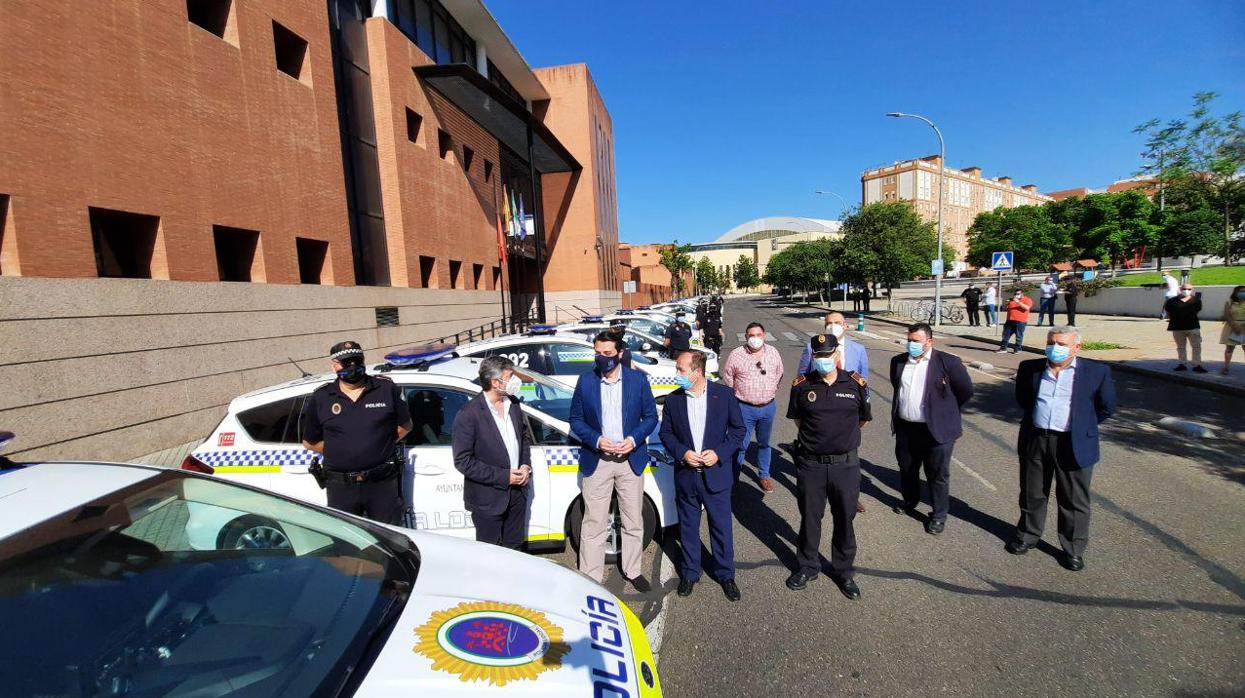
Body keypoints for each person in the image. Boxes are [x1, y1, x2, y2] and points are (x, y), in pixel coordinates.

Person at [1007, 326, 1116, 571]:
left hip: (1072, 442)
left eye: (1062, 344)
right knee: (1032, 492)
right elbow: (1024, 400)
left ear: (1076, 347)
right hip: (1036, 438)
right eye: (1051, 342)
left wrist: (1081, 426)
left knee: (1074, 499)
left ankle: (1073, 548)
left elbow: (1106, 407)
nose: (1054, 348)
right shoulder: (1030, 368)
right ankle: (1027, 535)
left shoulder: (1096, 372)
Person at [568, 331, 660, 590]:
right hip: (598, 460)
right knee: (594, 521)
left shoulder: (638, 381)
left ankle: (633, 570)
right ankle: (590, 576)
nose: (602, 358)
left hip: (630, 459)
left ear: (620, 354)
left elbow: (651, 418)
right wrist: (596, 439)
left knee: (632, 519)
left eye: (607, 354)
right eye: (597, 353)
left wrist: (634, 439)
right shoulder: (585, 381)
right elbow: (575, 420)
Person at [784, 334, 871, 599]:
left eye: (827, 355)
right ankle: (807, 566)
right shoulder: (801, 386)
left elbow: (862, 420)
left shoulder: (855, 384)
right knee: (810, 519)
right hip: (811, 465)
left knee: (845, 518)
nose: (822, 360)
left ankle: (843, 571)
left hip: (845, 465)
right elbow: (799, 421)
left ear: (837, 356)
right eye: (817, 356)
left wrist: (839, 440)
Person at [660, 350, 746, 600]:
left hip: (716, 475)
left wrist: (719, 453)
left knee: (721, 527)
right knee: (688, 527)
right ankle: (689, 573)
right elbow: (666, 435)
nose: (676, 374)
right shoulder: (674, 400)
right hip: (687, 475)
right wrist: (682, 452)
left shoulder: (724, 395)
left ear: (697, 372)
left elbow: (738, 431)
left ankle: (726, 574)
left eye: (680, 370)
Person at [301, 341, 412, 524]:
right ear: (334, 365)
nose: (352, 366)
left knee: (391, 539)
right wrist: (341, 450)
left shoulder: (385, 389)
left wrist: (378, 445)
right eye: (346, 362)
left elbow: (406, 425)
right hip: (341, 487)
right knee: (347, 543)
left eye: (356, 360)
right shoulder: (321, 397)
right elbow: (309, 442)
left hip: (382, 483)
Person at [889, 323, 973, 535]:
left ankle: (938, 515)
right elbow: (897, 388)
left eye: (916, 341)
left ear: (929, 342)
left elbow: (965, 391)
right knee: (907, 468)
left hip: (937, 430)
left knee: (937, 474)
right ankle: (910, 501)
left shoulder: (948, 362)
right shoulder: (898, 362)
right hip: (907, 428)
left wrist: (944, 413)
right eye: (909, 340)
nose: (911, 344)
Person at [451, 357, 532, 549]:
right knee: (491, 555)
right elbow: (463, 461)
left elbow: (524, 439)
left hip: (517, 494)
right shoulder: (469, 414)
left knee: (515, 549)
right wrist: (504, 477)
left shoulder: (513, 404)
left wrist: (526, 466)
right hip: (488, 500)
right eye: (510, 376)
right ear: (495, 382)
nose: (515, 380)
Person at [720, 322, 784, 492]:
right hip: (744, 408)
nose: (755, 339)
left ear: (764, 335)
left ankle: (764, 475)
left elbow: (779, 374)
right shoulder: (736, 355)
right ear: (746, 336)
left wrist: (768, 392)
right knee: (740, 445)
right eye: (751, 335)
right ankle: (733, 479)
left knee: (764, 443)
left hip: (768, 408)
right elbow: (728, 378)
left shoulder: (773, 353)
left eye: (758, 335)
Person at [798, 312, 870, 377]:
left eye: (837, 323)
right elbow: (802, 375)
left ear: (845, 326)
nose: (833, 326)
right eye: (829, 323)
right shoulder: (811, 347)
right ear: (825, 327)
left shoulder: (858, 349)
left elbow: (863, 377)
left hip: (849, 390)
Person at [1164, 283, 1206, 373]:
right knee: (1181, 347)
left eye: (1189, 289)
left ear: (1192, 290)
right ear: (1180, 289)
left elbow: (1197, 311)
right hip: (1177, 327)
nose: (1186, 291)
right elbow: (1168, 312)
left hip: (1193, 327)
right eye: (1184, 289)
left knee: (1196, 347)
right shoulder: (1172, 301)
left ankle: (1197, 365)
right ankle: (1182, 364)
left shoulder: (1196, 300)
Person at [997, 289, 1034, 354]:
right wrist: (1006, 304)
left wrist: (1018, 302)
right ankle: (1003, 348)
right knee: (1005, 335)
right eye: (1015, 294)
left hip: (1020, 321)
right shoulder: (1012, 300)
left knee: (1019, 336)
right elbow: (1007, 308)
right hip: (1010, 320)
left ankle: (1017, 349)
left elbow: (1027, 308)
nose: (1016, 295)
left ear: (1022, 294)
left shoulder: (1027, 300)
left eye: (1018, 294)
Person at [1219, 285, 1245, 375]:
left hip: (1244, 327)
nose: (1243, 293)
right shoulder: (1230, 303)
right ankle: (1226, 367)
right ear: (1236, 292)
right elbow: (1226, 315)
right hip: (1231, 327)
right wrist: (1234, 326)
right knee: (1229, 348)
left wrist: (1241, 326)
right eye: (1241, 291)